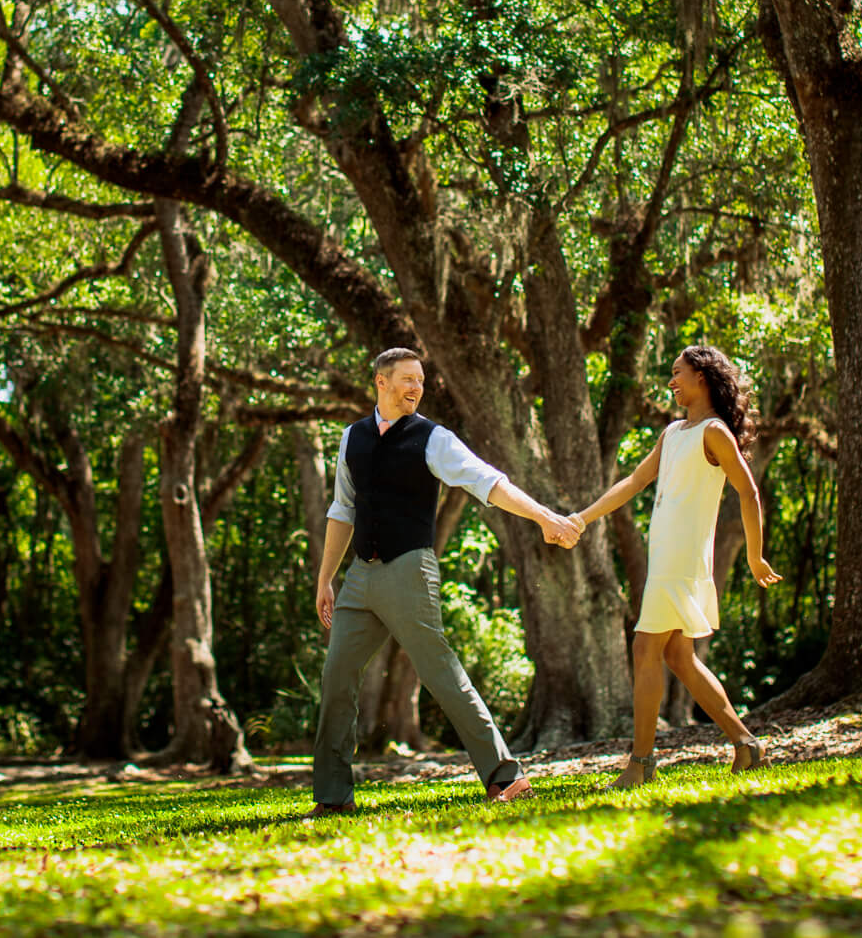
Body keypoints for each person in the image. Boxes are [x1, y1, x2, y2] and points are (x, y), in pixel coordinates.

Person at [304, 348, 581, 819]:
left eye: (421, 381)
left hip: (409, 569)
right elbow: (341, 510)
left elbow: (486, 481)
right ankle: (333, 795)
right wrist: (326, 578)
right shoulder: (352, 438)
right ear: (381, 383)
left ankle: (505, 777)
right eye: (407, 379)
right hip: (359, 578)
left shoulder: (432, 438)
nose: (416, 387)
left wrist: (542, 516)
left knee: (440, 673)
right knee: (336, 680)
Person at [569, 345, 781, 785]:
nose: (671, 382)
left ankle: (641, 764)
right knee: (678, 656)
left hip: (683, 557)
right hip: (666, 554)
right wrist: (582, 518)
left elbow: (749, 492)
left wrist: (755, 554)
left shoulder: (714, 432)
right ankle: (746, 745)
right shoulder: (672, 433)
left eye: (677, 373)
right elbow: (634, 481)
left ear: (702, 377)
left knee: (646, 648)